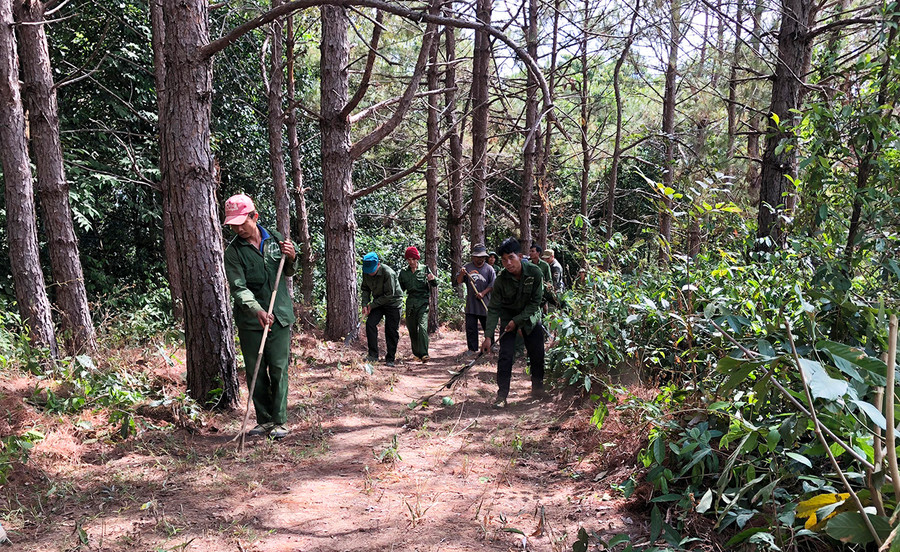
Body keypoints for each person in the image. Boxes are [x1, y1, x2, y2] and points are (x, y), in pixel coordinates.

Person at [223, 193, 297, 440]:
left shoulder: (275, 239)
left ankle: (280, 421)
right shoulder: (233, 252)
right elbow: (238, 288)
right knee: (256, 369)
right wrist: (257, 310)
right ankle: (264, 420)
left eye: (241, 223)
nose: (238, 229)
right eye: (233, 225)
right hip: (251, 320)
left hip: (280, 314)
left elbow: (288, 271)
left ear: (254, 217)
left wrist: (292, 257)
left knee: (278, 367)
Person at [481, 237, 546, 408]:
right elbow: (493, 309)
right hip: (508, 320)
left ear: (520, 256)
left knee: (537, 353)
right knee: (505, 356)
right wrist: (488, 336)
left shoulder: (535, 272)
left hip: (530, 318)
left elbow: (535, 303)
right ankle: (501, 396)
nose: (508, 263)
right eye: (504, 260)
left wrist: (518, 321)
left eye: (511, 258)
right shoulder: (501, 280)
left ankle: (538, 389)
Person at [361, 252, 403, 366]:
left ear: (378, 264)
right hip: (378, 303)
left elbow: (389, 295)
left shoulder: (388, 273)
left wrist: (372, 305)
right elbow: (365, 289)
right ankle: (373, 355)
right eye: (368, 271)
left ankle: (390, 358)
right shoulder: (366, 272)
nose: (370, 273)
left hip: (393, 303)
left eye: (372, 270)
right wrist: (365, 304)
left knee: (391, 330)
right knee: (370, 324)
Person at [398, 246, 437, 362]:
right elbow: (399, 289)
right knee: (412, 329)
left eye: (413, 259)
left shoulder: (425, 269)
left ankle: (424, 354)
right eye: (409, 259)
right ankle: (416, 354)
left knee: (422, 328)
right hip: (410, 304)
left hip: (423, 303)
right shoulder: (404, 272)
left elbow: (435, 284)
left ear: (417, 259)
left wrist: (432, 279)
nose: (411, 262)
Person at [456, 244, 495, 355]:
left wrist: (483, 293)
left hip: (485, 303)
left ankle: (491, 345)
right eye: (477, 257)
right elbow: (459, 280)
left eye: (482, 257)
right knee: (471, 328)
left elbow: (493, 285)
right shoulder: (467, 267)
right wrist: (462, 274)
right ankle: (472, 348)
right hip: (471, 305)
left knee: (488, 326)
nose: (480, 259)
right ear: (473, 257)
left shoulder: (489, 269)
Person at [529, 244, 554, 312]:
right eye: (530, 251)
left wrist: (547, 291)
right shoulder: (528, 265)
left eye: (532, 251)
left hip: (541, 293)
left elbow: (549, 280)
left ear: (538, 253)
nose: (530, 253)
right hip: (529, 293)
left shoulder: (545, 265)